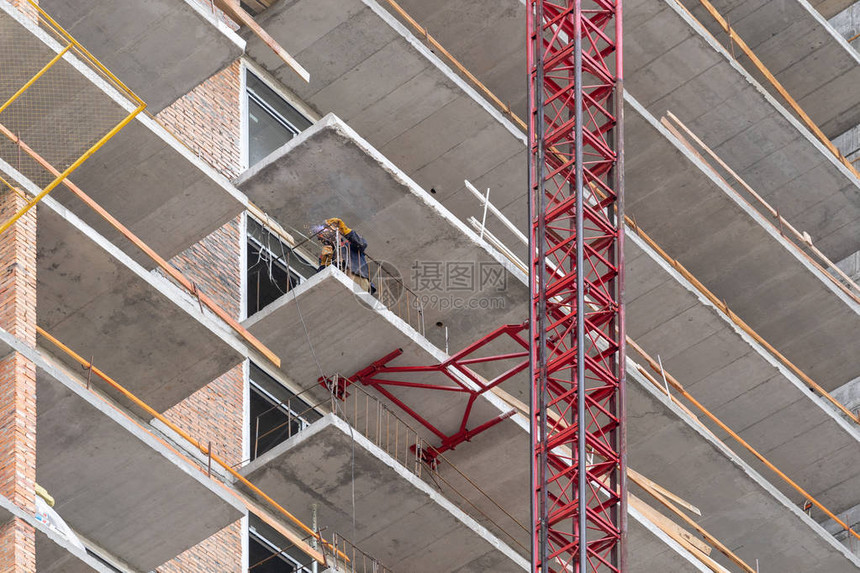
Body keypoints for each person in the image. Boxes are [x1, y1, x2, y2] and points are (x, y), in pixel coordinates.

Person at [315, 217, 374, 293]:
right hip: (338, 282)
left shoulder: (350, 245)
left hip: (357, 277)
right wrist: (325, 261)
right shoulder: (326, 254)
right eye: (322, 237)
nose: (326, 237)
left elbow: (362, 244)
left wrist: (344, 229)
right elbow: (321, 278)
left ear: (337, 233)